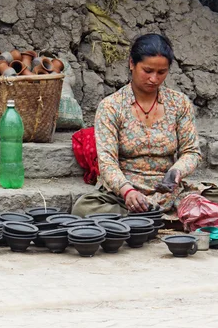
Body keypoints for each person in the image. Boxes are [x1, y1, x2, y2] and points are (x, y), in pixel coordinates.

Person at [72, 34, 202, 218]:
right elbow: (107, 161)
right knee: (83, 209)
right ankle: (159, 216)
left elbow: (191, 152)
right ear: (132, 64)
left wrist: (176, 172)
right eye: (147, 70)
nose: (154, 79)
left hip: (169, 192)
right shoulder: (111, 106)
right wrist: (127, 191)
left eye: (161, 72)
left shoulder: (179, 103)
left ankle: (149, 217)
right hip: (125, 194)